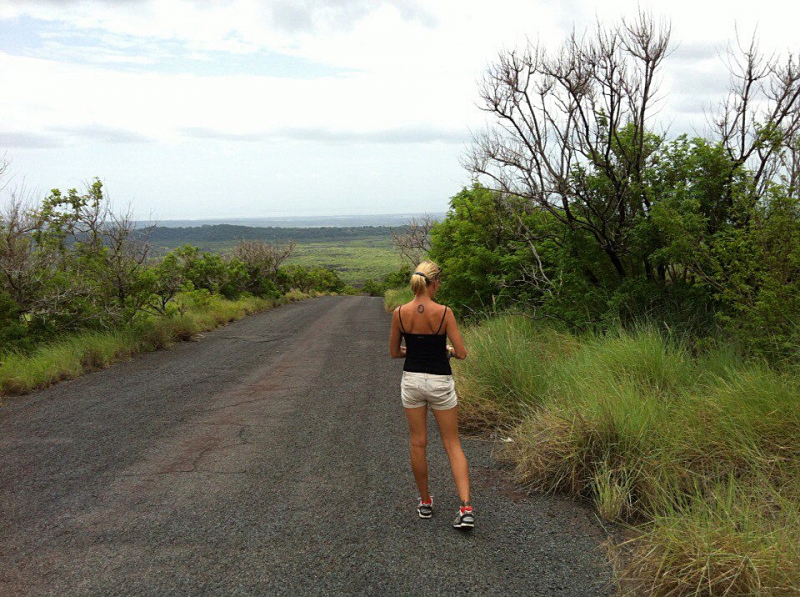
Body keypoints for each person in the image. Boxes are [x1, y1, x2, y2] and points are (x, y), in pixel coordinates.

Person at [389, 260, 473, 529]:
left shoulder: (400, 313)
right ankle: (465, 508)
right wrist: (446, 351)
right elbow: (461, 353)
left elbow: (394, 352)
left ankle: (425, 502)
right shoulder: (445, 312)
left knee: (418, 442)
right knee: (452, 444)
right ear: (434, 283)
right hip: (440, 382)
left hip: (412, 381)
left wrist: (412, 351)